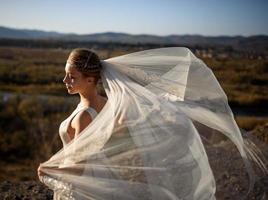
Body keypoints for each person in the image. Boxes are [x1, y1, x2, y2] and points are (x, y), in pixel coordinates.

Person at [38, 47, 267, 200]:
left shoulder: (83, 116)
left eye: (72, 76)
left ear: (90, 80)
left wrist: (49, 169)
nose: (64, 81)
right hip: (106, 178)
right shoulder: (109, 105)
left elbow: (80, 166)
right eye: (66, 74)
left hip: (84, 186)